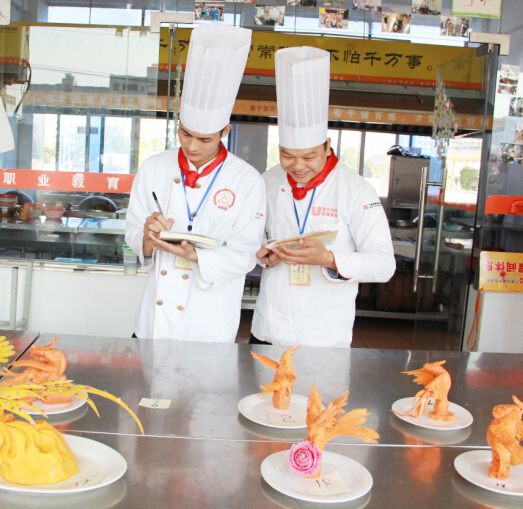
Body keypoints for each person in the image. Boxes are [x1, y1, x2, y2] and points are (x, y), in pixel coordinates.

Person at [125, 25, 266, 342]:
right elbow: (133, 233)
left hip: (209, 322)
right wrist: (148, 237)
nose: (191, 146)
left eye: (204, 139)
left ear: (225, 132)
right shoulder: (154, 167)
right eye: (185, 133)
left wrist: (195, 255)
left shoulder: (246, 180)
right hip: (153, 323)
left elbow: (246, 254)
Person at [250, 46, 395, 348]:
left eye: (309, 156)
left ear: (328, 146)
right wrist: (264, 253)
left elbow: (384, 265)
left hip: (324, 334)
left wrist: (327, 258)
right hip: (269, 327)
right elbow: (255, 235)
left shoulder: (356, 190)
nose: (297, 166)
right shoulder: (269, 179)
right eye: (287, 155)